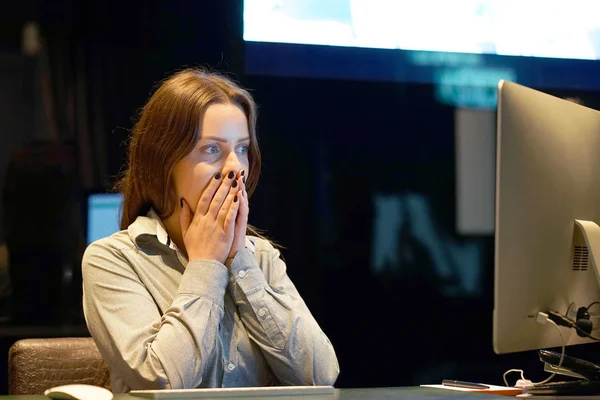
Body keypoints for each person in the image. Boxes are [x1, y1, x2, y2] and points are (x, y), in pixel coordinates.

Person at [81, 68, 339, 393]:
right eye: (212, 150)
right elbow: (160, 379)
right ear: (164, 162)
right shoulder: (112, 259)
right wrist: (206, 266)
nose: (235, 168)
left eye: (242, 149)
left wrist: (240, 262)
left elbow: (319, 375)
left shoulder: (260, 256)